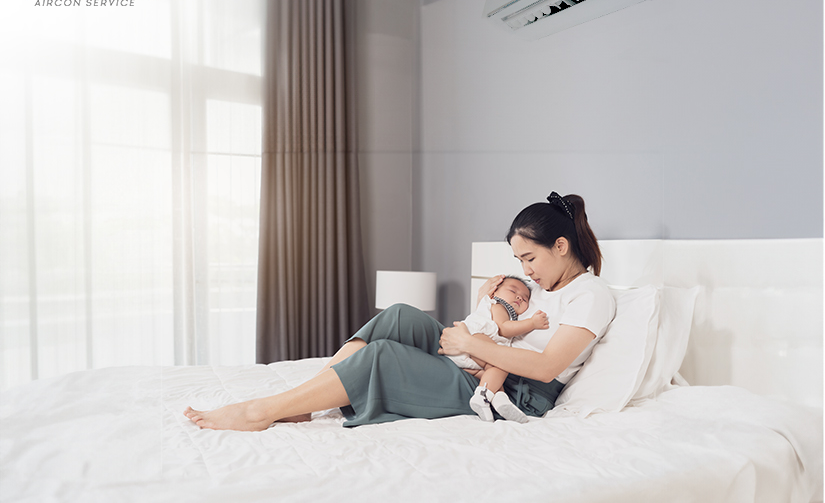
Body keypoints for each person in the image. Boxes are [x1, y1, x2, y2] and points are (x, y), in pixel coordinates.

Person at [184, 192, 616, 431]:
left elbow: (545, 367)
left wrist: (470, 344)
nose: (525, 270)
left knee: (383, 356)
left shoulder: (590, 295)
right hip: (486, 358)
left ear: (561, 246)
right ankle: (302, 400)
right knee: (399, 315)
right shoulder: (538, 287)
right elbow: (501, 326)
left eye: (530, 259)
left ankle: (263, 411)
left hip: (515, 391)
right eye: (519, 261)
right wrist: (484, 315)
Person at [447, 275, 550, 423]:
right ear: (494, 292)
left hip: (467, 356)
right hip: (474, 338)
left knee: (490, 372)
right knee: (504, 363)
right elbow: (503, 328)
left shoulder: (506, 310)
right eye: (513, 291)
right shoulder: (499, 305)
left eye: (525, 298)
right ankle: (482, 396)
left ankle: (499, 399)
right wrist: (532, 323)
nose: (519, 297)